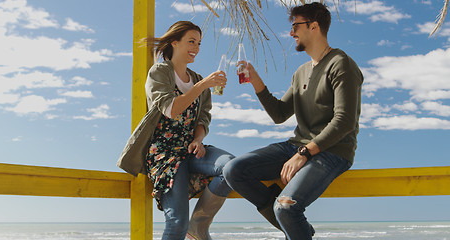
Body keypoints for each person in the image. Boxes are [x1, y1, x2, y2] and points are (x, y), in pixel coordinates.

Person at [223, 2, 363, 239]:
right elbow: (279, 114)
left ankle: (289, 220)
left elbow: (345, 121)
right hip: (297, 146)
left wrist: (304, 154)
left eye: (295, 26)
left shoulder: (341, 63)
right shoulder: (301, 73)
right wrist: (256, 81)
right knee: (234, 170)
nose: (291, 33)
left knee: (287, 207)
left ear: (314, 26)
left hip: (332, 152)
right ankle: (298, 231)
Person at [117, 21, 234, 240]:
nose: (196, 48)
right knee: (177, 223)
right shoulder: (160, 72)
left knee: (233, 167)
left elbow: (203, 118)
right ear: (174, 42)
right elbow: (170, 109)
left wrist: (198, 139)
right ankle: (187, 227)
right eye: (191, 41)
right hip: (165, 155)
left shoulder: (198, 79)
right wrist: (203, 86)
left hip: (192, 150)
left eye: (199, 43)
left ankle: (198, 224)